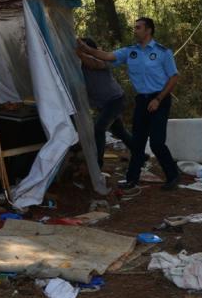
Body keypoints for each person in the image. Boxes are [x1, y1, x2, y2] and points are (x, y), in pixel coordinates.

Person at [76, 17, 180, 190]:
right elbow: (107, 56)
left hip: (159, 99)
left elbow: (174, 77)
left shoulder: (163, 52)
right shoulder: (130, 51)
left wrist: (158, 99)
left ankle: (173, 175)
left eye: (138, 27)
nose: (135, 30)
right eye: (135, 27)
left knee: (156, 142)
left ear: (148, 30)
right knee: (138, 142)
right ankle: (132, 179)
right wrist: (86, 49)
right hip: (142, 100)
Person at [77, 38, 132, 168]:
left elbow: (94, 64)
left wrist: (80, 53)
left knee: (99, 129)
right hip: (104, 104)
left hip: (115, 100)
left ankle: (97, 164)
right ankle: (140, 153)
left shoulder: (101, 60)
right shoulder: (79, 65)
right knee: (119, 131)